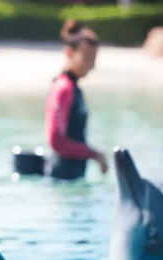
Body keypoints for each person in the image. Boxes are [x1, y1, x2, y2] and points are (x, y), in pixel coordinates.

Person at [44, 20, 109, 181]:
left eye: (93, 59)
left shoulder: (73, 88)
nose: (91, 65)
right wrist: (94, 154)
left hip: (72, 177)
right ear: (69, 53)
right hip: (62, 177)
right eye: (86, 58)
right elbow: (56, 140)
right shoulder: (63, 88)